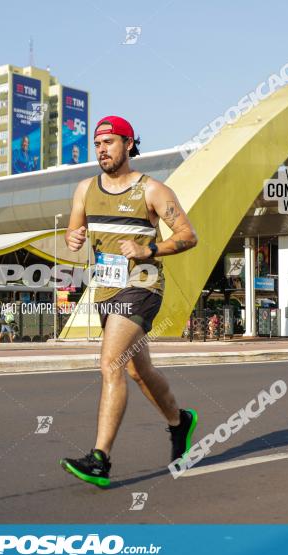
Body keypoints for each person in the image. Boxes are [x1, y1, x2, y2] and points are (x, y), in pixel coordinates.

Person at [59, 115, 200, 487]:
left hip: (142, 285)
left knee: (110, 364)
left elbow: (188, 236)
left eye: (109, 142)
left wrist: (147, 248)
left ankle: (99, 459)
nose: (102, 149)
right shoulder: (84, 189)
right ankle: (179, 421)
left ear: (129, 144)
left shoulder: (152, 190)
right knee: (137, 371)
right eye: (97, 144)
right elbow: (75, 230)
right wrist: (73, 238)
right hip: (106, 287)